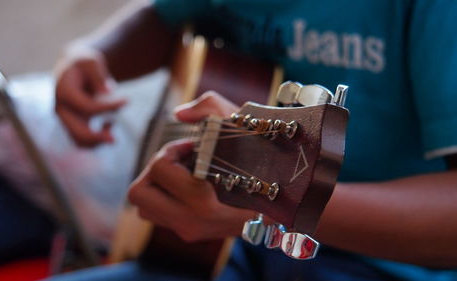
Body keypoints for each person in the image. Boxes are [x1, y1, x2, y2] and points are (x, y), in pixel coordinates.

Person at [51, 0, 457, 280]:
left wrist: (276, 209)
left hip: (385, 267)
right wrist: (91, 53)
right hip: (230, 252)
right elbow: (161, 17)